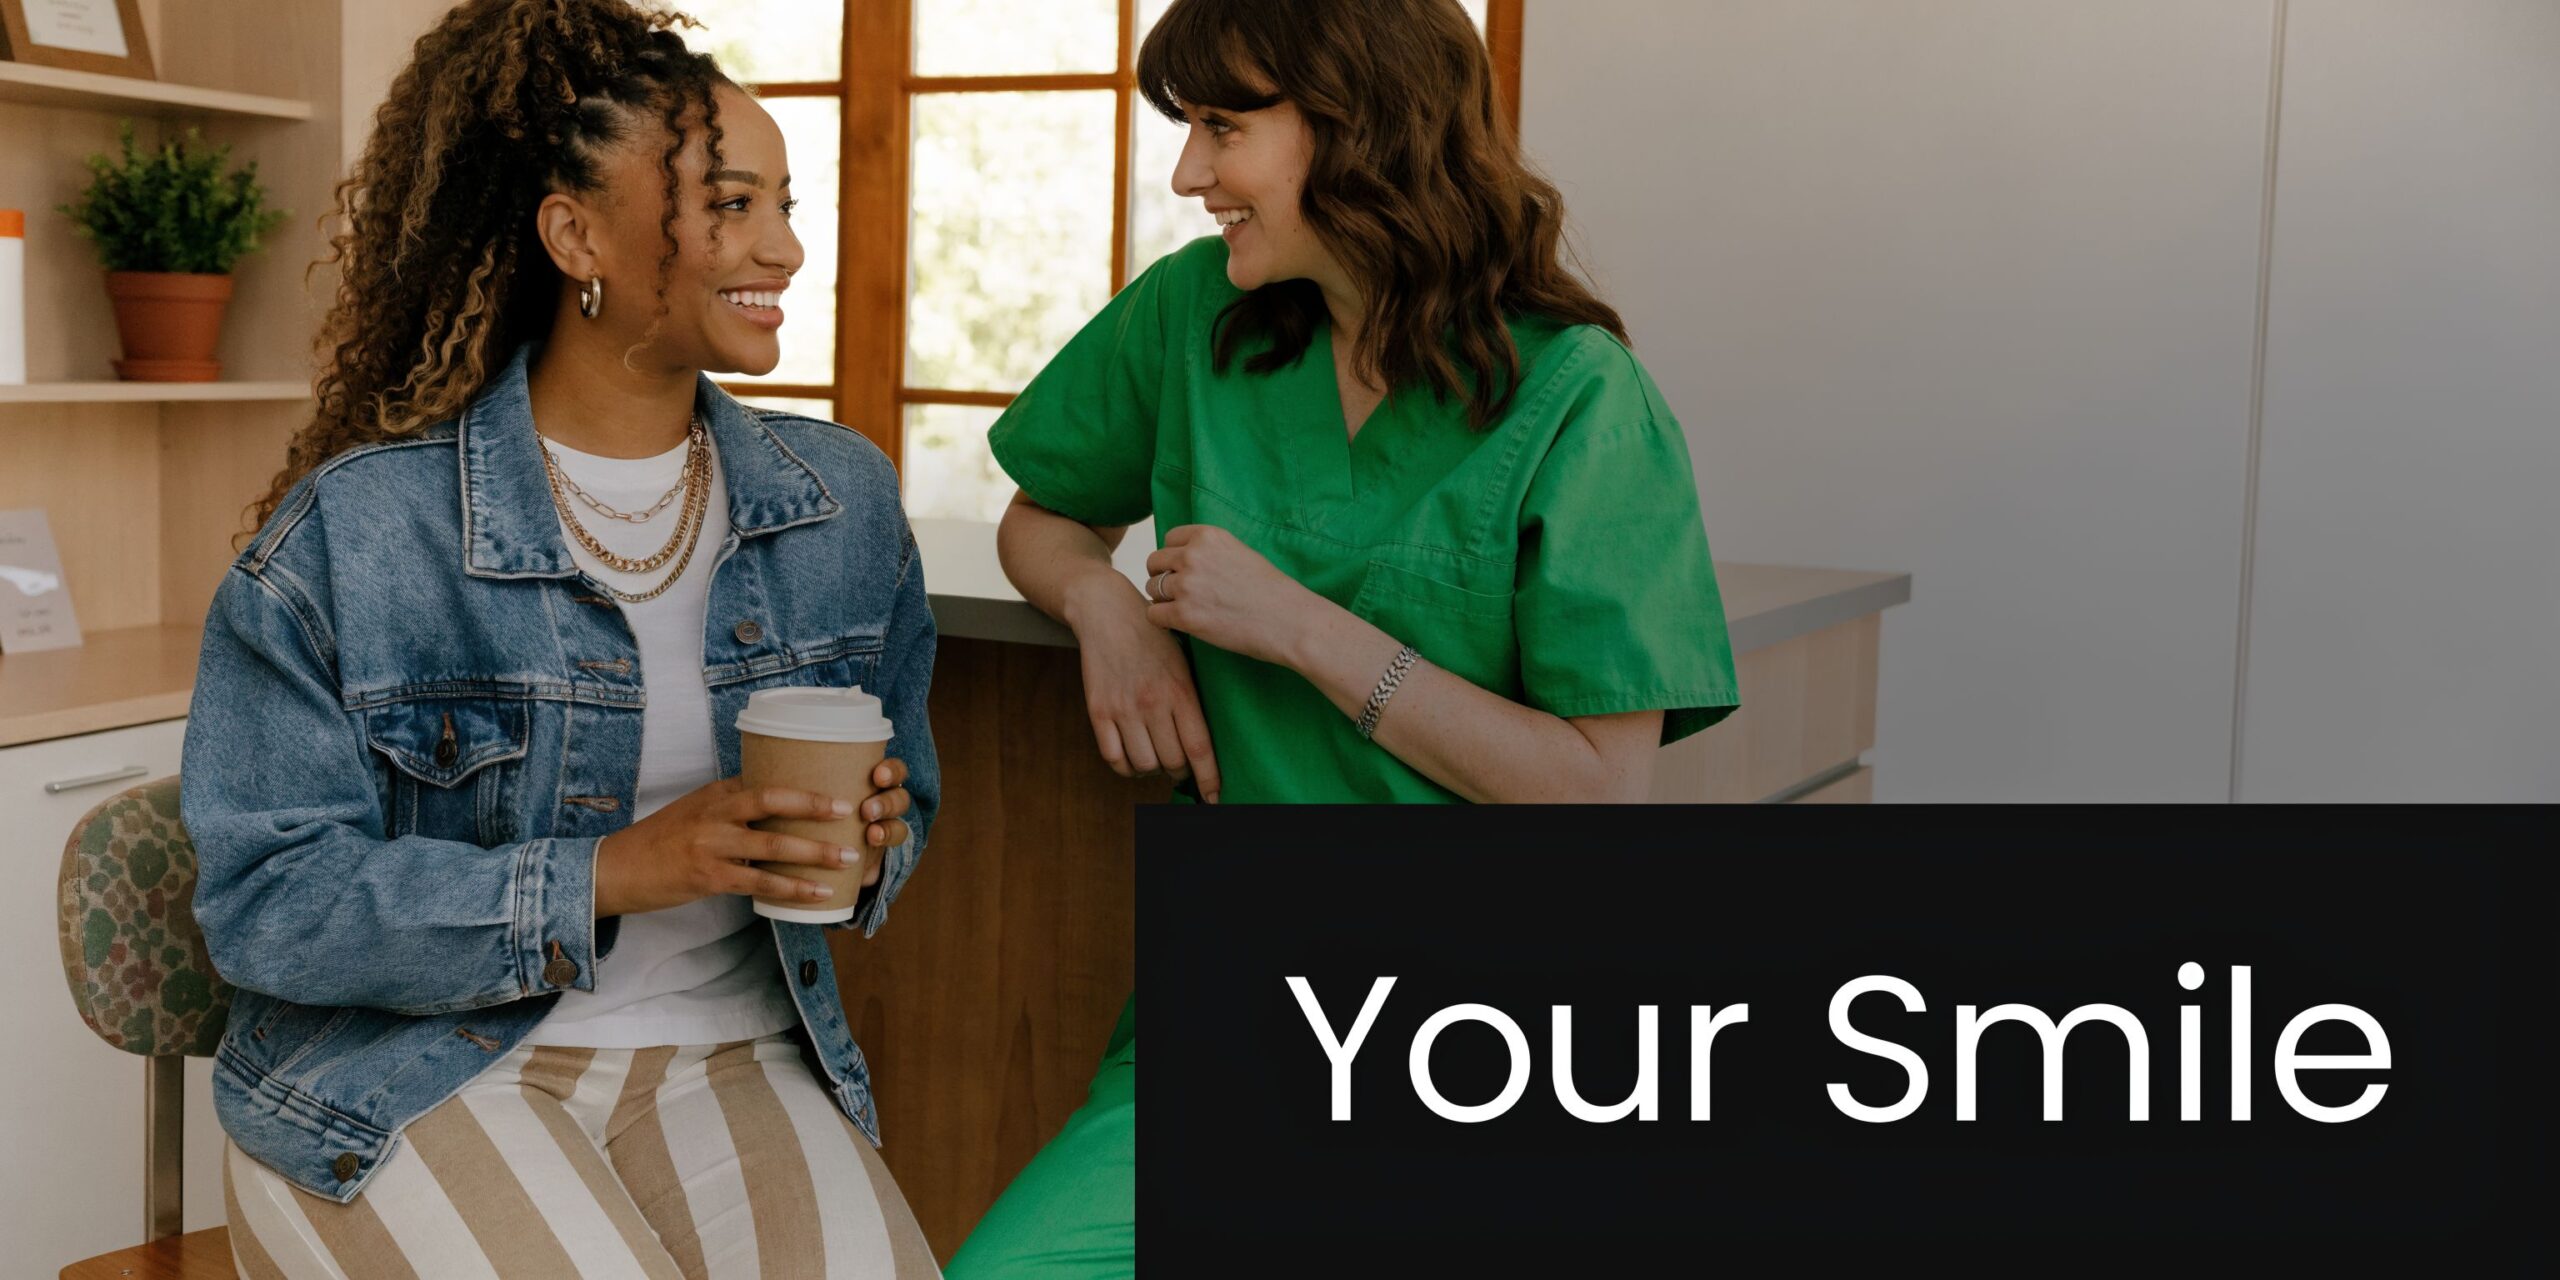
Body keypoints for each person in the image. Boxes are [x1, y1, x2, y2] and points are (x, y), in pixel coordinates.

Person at [953, 0, 1741, 1273]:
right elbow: (1044, 512)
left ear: (1359, 125)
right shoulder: (1193, 316)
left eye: (1223, 127)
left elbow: (1598, 788)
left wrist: (1302, 630)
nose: (1188, 174)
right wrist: (1105, 607)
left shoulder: (1579, 395)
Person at [180, 2, 941, 1274]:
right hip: (401, 1072)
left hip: (731, 1051)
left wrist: (872, 838)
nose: (786, 248)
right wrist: (608, 873)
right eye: (731, 205)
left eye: (785, 205)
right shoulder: (361, 531)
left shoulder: (839, 504)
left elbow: (906, 790)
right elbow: (266, 903)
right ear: (575, 234)